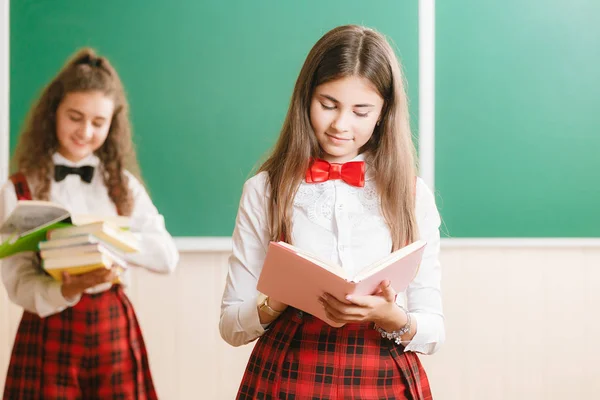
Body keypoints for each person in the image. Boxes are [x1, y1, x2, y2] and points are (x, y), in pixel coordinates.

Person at [220, 25, 445, 399]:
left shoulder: (412, 193)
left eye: (361, 111)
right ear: (305, 98)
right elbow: (231, 326)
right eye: (328, 104)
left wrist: (393, 318)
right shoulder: (265, 189)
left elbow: (434, 331)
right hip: (290, 373)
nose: (341, 124)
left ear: (383, 113)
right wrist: (276, 299)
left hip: (381, 374)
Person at [1, 47, 179, 399]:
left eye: (98, 123)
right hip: (48, 328)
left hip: (110, 323)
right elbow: (15, 280)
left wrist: (107, 238)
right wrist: (64, 290)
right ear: (54, 112)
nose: (85, 131)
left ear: (113, 124)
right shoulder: (21, 188)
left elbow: (166, 257)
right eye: (75, 117)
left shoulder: (123, 185)